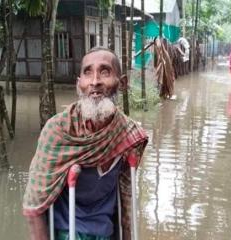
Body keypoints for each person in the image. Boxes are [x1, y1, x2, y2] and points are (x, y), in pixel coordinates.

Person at [22, 47, 149, 240]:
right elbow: (34, 205)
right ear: (79, 84)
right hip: (67, 232)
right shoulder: (57, 131)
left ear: (122, 83)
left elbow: (125, 194)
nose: (95, 81)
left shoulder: (128, 134)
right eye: (87, 73)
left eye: (105, 72)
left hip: (106, 231)